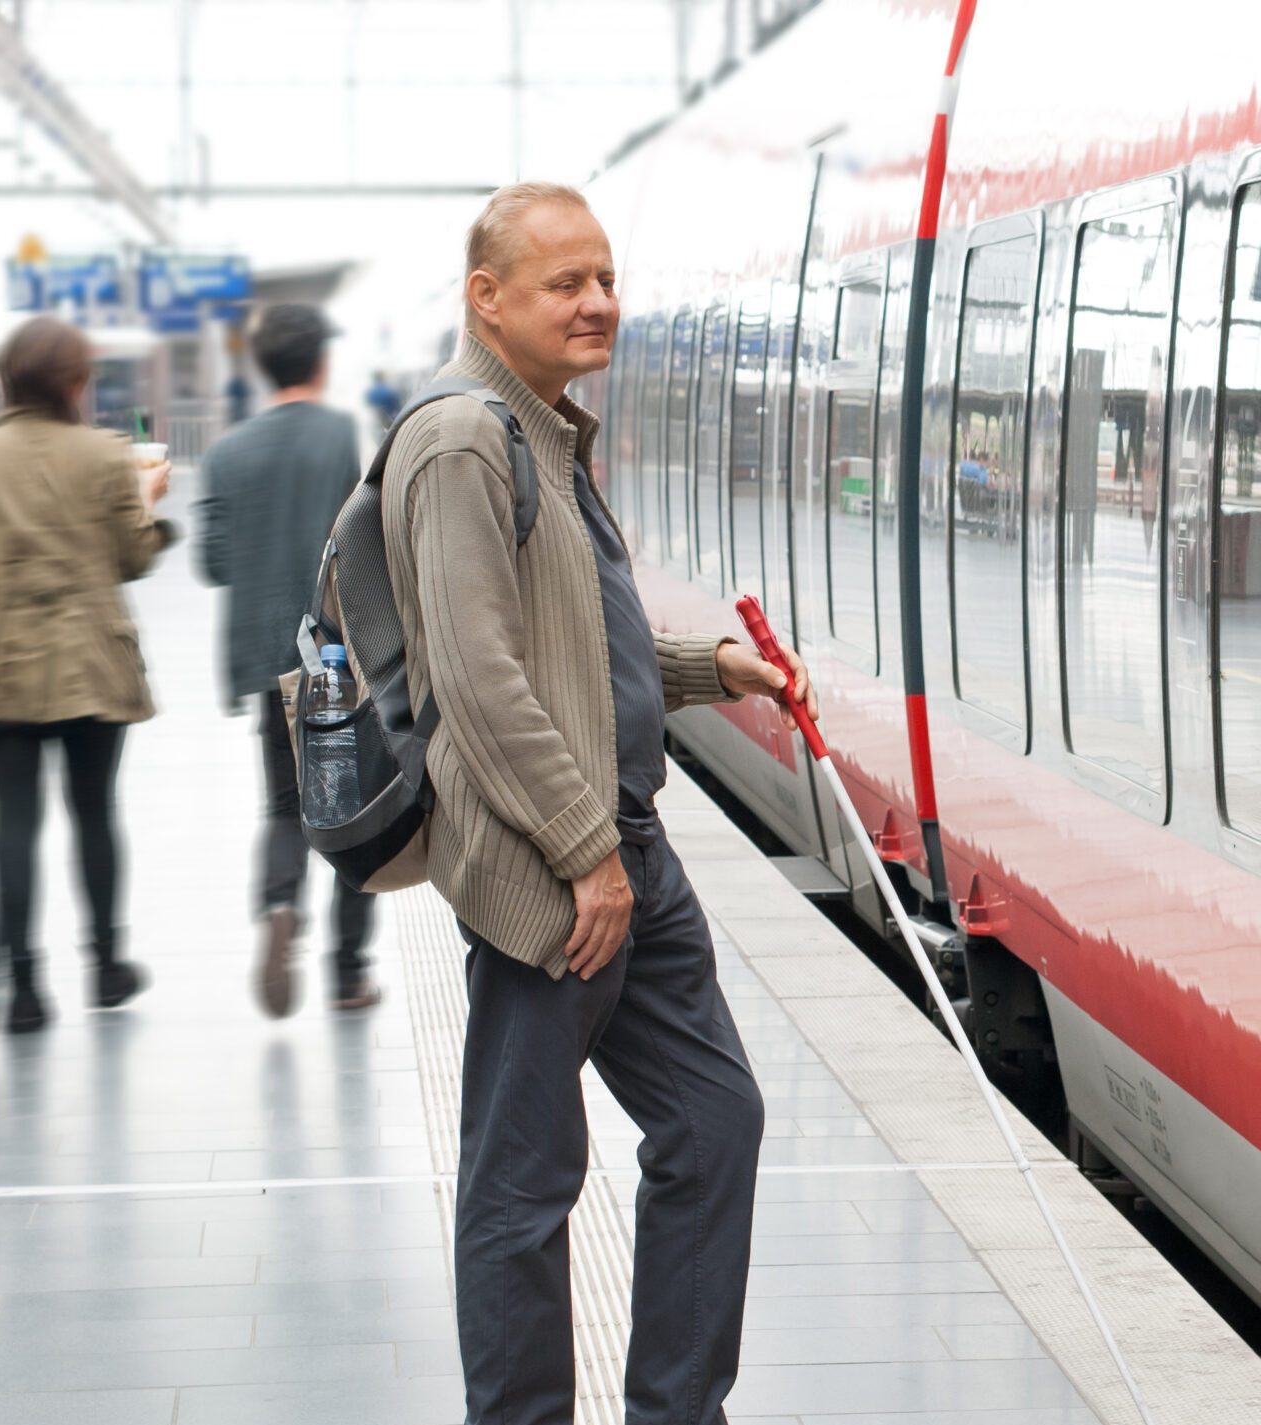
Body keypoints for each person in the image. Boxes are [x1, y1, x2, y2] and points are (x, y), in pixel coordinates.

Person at [385, 181, 810, 1424]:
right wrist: (584, 854)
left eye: (606, 279)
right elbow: (478, 675)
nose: (598, 303)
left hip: (627, 846)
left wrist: (704, 669)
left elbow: (573, 644)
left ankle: (679, 1409)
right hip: (549, 867)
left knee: (714, 1120)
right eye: (565, 281)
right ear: (486, 297)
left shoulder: (543, 431)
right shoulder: (464, 439)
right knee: (524, 1182)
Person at [0, 317, 174, 1033]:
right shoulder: (104, 454)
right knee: (94, 812)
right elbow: (132, 557)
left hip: (2, 668)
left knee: (15, 825)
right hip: (93, 662)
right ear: (72, 381)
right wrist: (147, 499)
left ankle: (23, 988)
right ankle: (106, 967)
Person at [195, 302, 378, 1017]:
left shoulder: (225, 452)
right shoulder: (342, 437)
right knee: (351, 811)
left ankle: (277, 905)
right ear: (321, 363)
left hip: (267, 663)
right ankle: (347, 972)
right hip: (335, 657)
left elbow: (213, 563)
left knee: (281, 806)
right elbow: (367, 544)